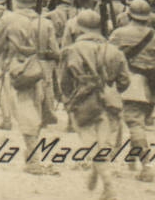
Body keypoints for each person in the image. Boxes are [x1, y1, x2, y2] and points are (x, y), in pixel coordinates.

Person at [0, 0, 60, 176]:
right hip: (43, 71)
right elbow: (56, 52)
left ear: (15, 1)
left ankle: (33, 159)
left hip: (19, 70)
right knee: (38, 110)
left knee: (26, 112)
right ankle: (33, 154)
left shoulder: (9, 20)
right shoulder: (46, 22)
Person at [59, 10, 128, 200]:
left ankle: (108, 185)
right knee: (104, 144)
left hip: (84, 100)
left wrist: (69, 98)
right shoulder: (114, 50)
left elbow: (64, 82)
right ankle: (99, 173)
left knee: (90, 143)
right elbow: (124, 81)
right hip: (110, 101)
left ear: (79, 27)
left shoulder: (72, 50)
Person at [108, 0, 155, 182]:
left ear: (129, 14)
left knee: (129, 124)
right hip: (147, 84)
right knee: (137, 122)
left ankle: (146, 166)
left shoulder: (119, 33)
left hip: (125, 83)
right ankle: (133, 161)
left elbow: (109, 57)